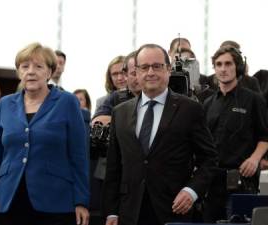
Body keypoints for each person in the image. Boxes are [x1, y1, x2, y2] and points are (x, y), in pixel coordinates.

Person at [102, 44, 217, 225]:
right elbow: (114, 168)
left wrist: (192, 191)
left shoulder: (190, 109)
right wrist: (111, 213)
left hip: (174, 210)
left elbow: (209, 159)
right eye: (144, 67)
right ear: (136, 72)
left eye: (157, 66)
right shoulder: (120, 112)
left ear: (168, 70)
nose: (150, 72)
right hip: (129, 213)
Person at [0, 42, 90, 225]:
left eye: (38, 66)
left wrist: (81, 200)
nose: (31, 71)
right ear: (19, 72)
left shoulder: (67, 102)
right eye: (25, 66)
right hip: (8, 199)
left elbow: (79, 155)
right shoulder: (5, 104)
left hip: (55, 201)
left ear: (50, 72)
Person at [202, 46, 268, 223]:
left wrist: (254, 159)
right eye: (219, 64)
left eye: (228, 64)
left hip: (242, 182)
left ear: (237, 67)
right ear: (214, 69)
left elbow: (265, 136)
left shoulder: (254, 100)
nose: (223, 69)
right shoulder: (207, 103)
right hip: (211, 184)